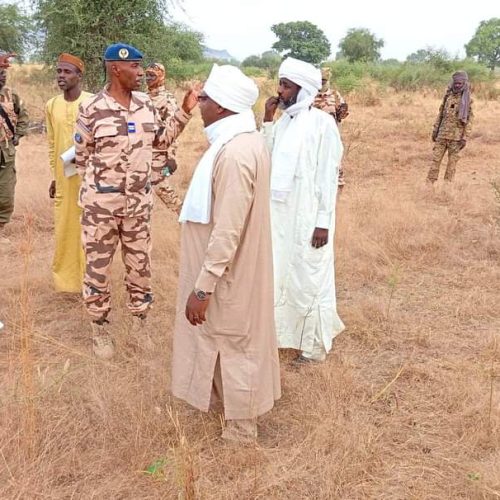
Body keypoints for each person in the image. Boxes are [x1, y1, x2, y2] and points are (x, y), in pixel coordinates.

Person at [171, 64, 281, 443]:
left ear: (221, 107)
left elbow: (228, 229)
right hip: (226, 270)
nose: (198, 104)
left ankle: (242, 429)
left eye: (204, 99)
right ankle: (223, 409)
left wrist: (203, 287)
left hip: (228, 272)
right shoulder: (239, 141)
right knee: (221, 338)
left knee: (235, 343)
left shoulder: (235, 154)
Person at [74, 43, 197, 359]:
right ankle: (100, 329)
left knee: (140, 267)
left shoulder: (146, 105)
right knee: (97, 270)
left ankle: (140, 324)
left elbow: (161, 141)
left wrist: (184, 111)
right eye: (136, 67)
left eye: (142, 67)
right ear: (116, 68)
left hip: (138, 208)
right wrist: (99, 194)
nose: (142, 73)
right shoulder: (92, 109)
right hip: (101, 210)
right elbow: (82, 157)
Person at [263, 57, 345, 364]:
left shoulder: (322, 124)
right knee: (283, 275)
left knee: (310, 278)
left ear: (304, 89)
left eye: (286, 85)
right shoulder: (285, 121)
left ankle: (313, 349)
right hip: (281, 217)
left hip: (310, 218)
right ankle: (282, 336)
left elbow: (327, 175)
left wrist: (323, 222)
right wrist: (268, 119)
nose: (280, 91)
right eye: (280, 84)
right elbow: (266, 157)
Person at [46, 53, 92, 292]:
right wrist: (55, 176)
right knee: (65, 229)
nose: (61, 76)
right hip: (65, 179)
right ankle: (66, 283)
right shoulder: (52, 105)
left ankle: (90, 282)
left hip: (89, 180)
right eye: (59, 72)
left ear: (78, 76)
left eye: (67, 72)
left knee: (89, 229)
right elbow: (52, 143)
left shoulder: (92, 102)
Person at [145, 62, 183, 214]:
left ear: (161, 76)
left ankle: (184, 216)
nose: (148, 78)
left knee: (161, 187)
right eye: (147, 75)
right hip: (143, 151)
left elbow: (174, 130)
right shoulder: (142, 97)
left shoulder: (168, 100)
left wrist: (172, 156)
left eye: (152, 75)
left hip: (160, 153)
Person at [0, 50, 29, 245]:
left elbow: (23, 116)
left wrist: (18, 135)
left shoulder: (12, 95)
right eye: (0, 72)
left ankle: (0, 228)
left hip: (6, 150)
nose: (3, 76)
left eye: (4, 73)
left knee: (5, 192)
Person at [427, 71, 473, 184]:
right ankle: (429, 185)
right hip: (442, 135)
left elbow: (470, 120)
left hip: (456, 138)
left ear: (464, 84)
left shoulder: (468, 100)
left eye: (460, 83)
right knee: (435, 161)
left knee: (452, 164)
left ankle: (447, 188)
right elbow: (440, 114)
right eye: (456, 83)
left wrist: (464, 138)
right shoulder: (448, 96)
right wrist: (435, 130)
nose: (457, 85)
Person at [314, 66, 349, 190]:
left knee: (334, 160)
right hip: (314, 136)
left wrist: (343, 110)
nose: (321, 83)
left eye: (324, 80)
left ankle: (337, 186)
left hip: (331, 135)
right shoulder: (310, 94)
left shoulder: (335, 95)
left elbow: (341, 115)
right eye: (320, 80)